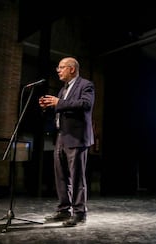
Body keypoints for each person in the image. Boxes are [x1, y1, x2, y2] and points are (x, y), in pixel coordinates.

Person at [39, 57, 95, 227]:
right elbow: (62, 109)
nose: (58, 70)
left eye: (61, 67)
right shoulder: (63, 89)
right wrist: (48, 106)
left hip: (77, 138)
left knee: (77, 177)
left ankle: (79, 213)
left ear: (72, 69)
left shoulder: (86, 85)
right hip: (61, 137)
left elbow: (85, 104)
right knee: (61, 177)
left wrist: (59, 103)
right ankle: (64, 210)